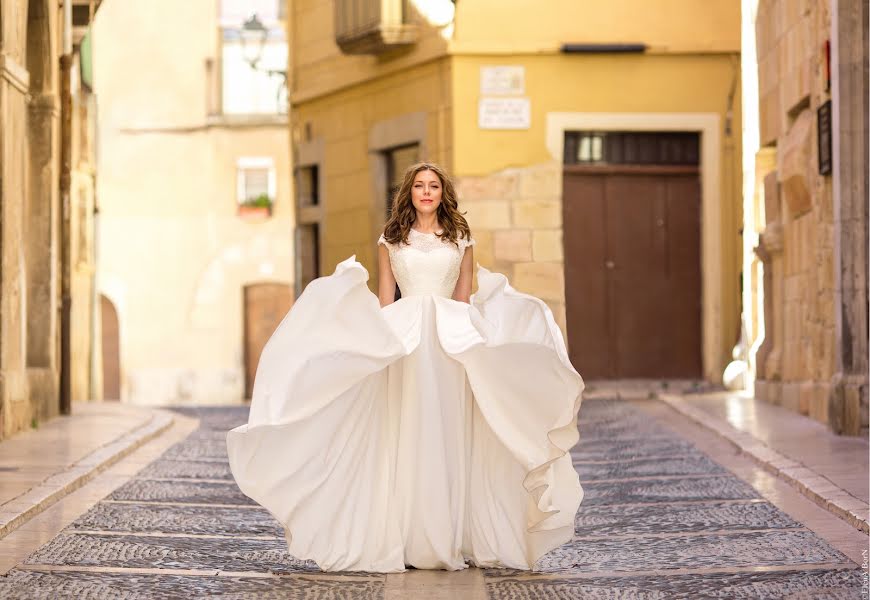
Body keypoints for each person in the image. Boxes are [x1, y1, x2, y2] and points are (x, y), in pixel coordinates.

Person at [226, 162, 585, 573]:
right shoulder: (391, 239)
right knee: (409, 427)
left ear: (442, 192)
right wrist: (377, 344)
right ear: (410, 192)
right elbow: (385, 298)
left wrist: (476, 345)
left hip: (451, 339)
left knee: (449, 431)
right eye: (419, 185)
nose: (427, 192)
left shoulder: (461, 238)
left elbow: (464, 297)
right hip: (407, 339)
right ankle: (411, 537)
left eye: (433, 186)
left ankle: (449, 535)